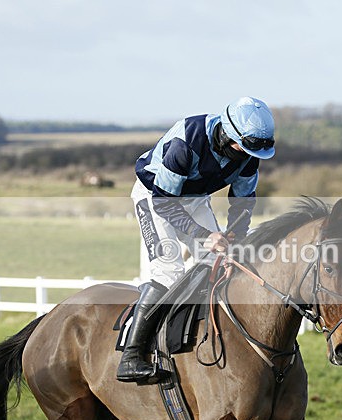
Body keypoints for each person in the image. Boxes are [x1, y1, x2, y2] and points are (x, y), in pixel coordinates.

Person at [117, 96, 276, 383]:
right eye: (245, 149)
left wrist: (234, 238)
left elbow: (242, 204)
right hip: (155, 197)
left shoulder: (250, 155)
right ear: (228, 134)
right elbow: (165, 203)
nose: (249, 156)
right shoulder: (185, 143)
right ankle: (132, 356)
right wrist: (205, 235)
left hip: (194, 199)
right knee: (168, 272)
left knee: (218, 263)